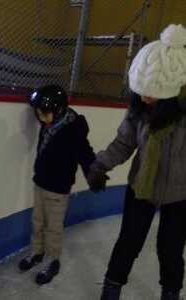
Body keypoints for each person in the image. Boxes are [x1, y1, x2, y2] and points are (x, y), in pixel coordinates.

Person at [87, 24, 186, 300]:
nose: (143, 96)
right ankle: (112, 287)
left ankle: (170, 292)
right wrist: (99, 166)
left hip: (180, 193)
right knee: (129, 241)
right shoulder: (139, 110)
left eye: (151, 90)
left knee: (171, 247)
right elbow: (123, 143)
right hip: (140, 188)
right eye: (141, 88)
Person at [18, 85, 96, 285]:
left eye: (44, 113)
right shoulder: (49, 124)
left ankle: (53, 261)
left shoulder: (73, 131)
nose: (40, 118)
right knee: (37, 221)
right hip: (41, 182)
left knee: (53, 228)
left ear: (59, 110)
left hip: (58, 189)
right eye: (38, 114)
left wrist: (95, 174)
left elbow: (85, 154)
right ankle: (37, 252)